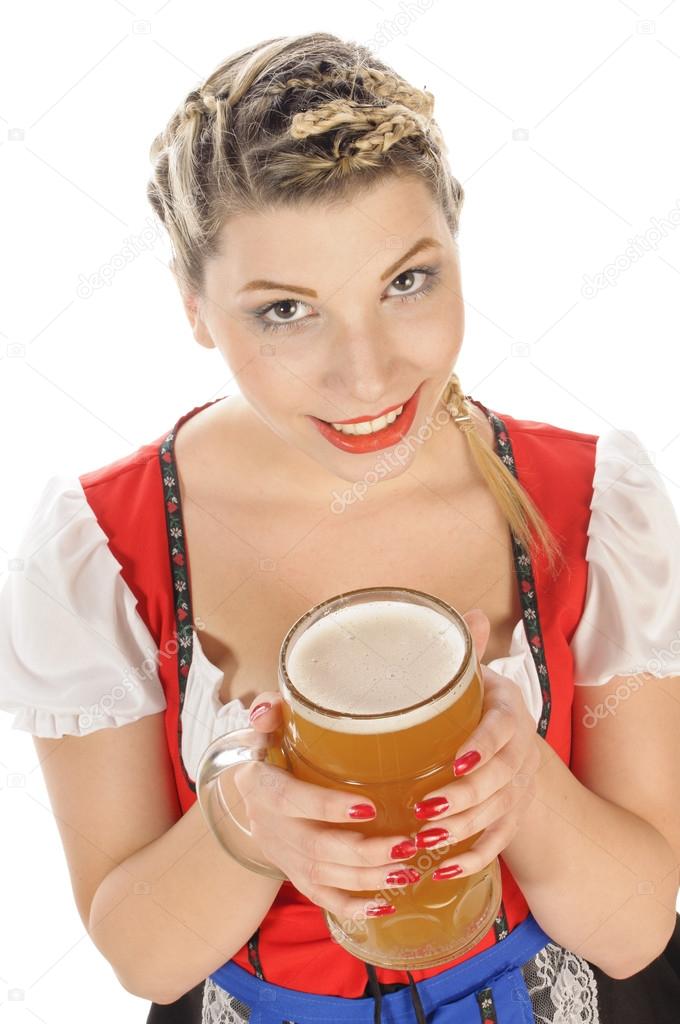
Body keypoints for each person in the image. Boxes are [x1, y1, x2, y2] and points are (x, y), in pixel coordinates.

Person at [1, 30, 679, 1024]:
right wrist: (241, 825)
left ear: (455, 243)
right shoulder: (100, 548)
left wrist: (523, 786)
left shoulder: (588, 502)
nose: (366, 378)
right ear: (194, 305)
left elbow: (631, 931)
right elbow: (143, 957)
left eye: (406, 282)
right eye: (284, 310)